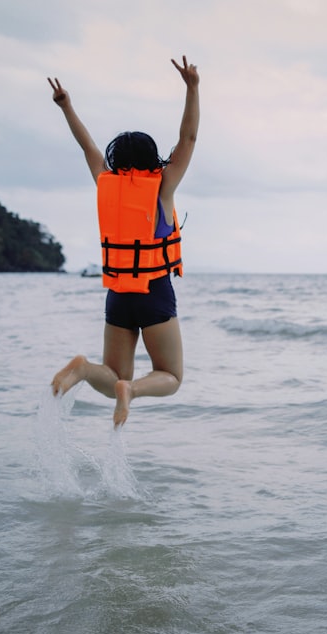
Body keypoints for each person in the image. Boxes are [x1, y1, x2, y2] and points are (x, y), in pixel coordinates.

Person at [48, 55, 200, 428]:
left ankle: (83, 370)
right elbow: (188, 138)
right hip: (155, 293)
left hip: (118, 294)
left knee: (111, 374)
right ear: (153, 159)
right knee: (171, 376)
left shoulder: (106, 183)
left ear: (116, 160)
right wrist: (193, 87)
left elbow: (88, 148)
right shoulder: (163, 188)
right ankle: (132, 391)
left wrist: (67, 107)